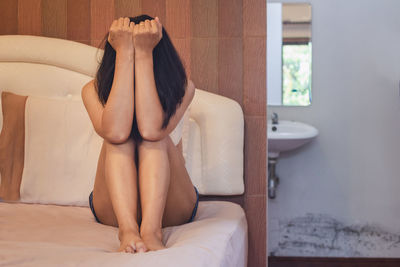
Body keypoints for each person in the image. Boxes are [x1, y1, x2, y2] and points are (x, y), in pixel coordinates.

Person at [81, 15, 199, 254]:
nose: (135, 54)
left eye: (142, 49)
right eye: (127, 51)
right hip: (116, 209)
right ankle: (127, 231)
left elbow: (151, 129)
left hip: (171, 204)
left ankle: (152, 231)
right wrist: (126, 52)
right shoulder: (91, 91)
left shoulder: (183, 88)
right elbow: (115, 131)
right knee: (118, 140)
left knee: (154, 140)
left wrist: (144, 54)